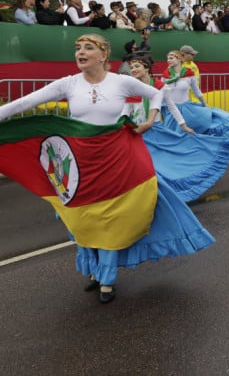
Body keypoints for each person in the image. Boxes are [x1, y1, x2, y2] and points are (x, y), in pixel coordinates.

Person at [0, 34, 214, 303]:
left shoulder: (121, 82)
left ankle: (107, 279)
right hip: (81, 165)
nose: (80, 52)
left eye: (88, 48)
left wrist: (150, 119)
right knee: (84, 217)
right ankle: (94, 270)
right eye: (77, 48)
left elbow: (157, 92)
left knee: (112, 218)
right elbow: (23, 103)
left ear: (103, 55)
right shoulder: (68, 84)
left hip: (116, 160)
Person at [124, 56, 229, 202]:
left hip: (155, 130)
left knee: (161, 162)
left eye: (137, 66)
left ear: (146, 68)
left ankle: (162, 194)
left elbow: (171, 106)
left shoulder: (160, 86)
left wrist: (184, 125)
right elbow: (125, 108)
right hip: (135, 130)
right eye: (131, 68)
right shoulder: (130, 87)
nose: (133, 70)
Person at [160, 50, 229, 137]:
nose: (168, 60)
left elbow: (196, 90)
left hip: (187, 110)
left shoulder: (189, 74)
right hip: (171, 110)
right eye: (167, 59)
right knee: (172, 135)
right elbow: (160, 91)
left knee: (188, 134)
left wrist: (204, 104)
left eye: (171, 58)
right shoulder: (165, 75)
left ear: (179, 59)